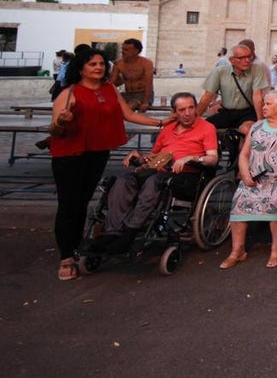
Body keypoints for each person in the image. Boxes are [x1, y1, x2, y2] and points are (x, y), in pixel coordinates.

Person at [49, 46, 162, 280]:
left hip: (96, 152)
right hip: (69, 154)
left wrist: (160, 123)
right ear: (81, 69)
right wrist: (63, 120)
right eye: (93, 64)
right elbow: (55, 130)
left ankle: (77, 244)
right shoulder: (69, 93)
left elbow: (128, 115)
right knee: (69, 204)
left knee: (82, 202)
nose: (99, 68)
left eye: (101, 64)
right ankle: (66, 257)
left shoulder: (109, 89)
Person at [94, 91, 217, 254]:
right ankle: (112, 232)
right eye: (181, 110)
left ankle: (131, 231)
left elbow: (213, 159)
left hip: (188, 176)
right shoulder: (167, 129)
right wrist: (139, 155)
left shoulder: (206, 128)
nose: (187, 113)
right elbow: (154, 155)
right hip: (158, 170)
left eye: (191, 108)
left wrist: (191, 158)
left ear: (196, 109)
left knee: (155, 181)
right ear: (174, 112)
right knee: (124, 180)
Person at [221, 91, 277, 270]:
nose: (264, 107)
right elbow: (245, 153)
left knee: (276, 199)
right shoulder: (256, 126)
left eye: (268, 104)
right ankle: (237, 251)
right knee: (239, 199)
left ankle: (276, 250)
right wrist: (245, 173)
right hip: (256, 176)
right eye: (264, 104)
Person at [195, 43, 271, 134]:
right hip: (227, 112)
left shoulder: (257, 69)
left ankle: (242, 148)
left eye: (249, 56)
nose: (247, 60)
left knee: (248, 129)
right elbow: (207, 96)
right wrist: (195, 119)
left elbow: (257, 96)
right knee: (204, 128)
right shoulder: (220, 71)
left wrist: (260, 121)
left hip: (247, 112)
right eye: (241, 58)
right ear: (232, 60)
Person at [109, 38, 155, 112]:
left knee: (131, 105)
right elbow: (111, 83)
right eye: (122, 49)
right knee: (110, 104)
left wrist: (146, 102)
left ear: (136, 51)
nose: (123, 52)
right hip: (128, 94)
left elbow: (149, 83)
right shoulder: (119, 64)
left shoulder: (146, 63)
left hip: (142, 94)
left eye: (126, 50)